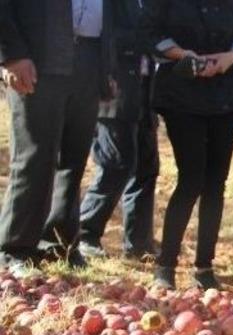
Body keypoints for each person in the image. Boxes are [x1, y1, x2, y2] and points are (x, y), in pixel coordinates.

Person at [140, 0, 233, 290]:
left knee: (216, 183)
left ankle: (204, 267)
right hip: (181, 95)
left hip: (228, 95)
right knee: (191, 179)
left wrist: (230, 57)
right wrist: (184, 55)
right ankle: (165, 265)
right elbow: (149, 32)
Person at [0, 0, 113, 273]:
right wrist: (10, 54)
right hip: (36, 56)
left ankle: (58, 243)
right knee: (35, 157)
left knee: (74, 158)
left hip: (90, 58)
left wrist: (110, 67)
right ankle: (14, 250)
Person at [78, 0, 160, 261]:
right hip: (115, 88)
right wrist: (148, 39)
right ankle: (85, 232)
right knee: (116, 163)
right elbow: (107, 35)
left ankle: (138, 243)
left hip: (145, 88)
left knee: (146, 167)